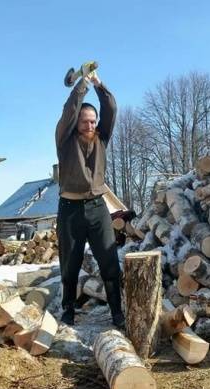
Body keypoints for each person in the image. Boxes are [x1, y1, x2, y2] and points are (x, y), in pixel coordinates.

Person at [55, 62, 124, 327]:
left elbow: (112, 109)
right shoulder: (65, 139)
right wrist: (82, 84)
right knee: (69, 265)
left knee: (109, 260)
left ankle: (117, 312)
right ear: (76, 124)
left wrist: (98, 84)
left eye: (93, 121)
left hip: (97, 208)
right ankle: (68, 310)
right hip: (70, 210)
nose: (90, 125)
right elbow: (69, 110)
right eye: (85, 121)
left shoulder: (101, 139)